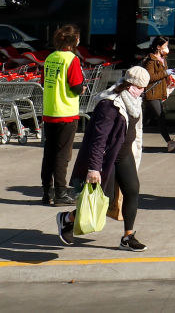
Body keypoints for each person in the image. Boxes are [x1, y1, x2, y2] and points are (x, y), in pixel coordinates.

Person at [56, 66, 150, 251]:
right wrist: (94, 168)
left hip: (123, 155)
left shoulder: (133, 100)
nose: (143, 92)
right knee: (100, 201)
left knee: (132, 191)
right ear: (131, 85)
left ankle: (127, 237)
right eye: (141, 88)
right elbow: (98, 140)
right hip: (107, 158)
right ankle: (66, 219)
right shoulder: (109, 105)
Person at [40, 24, 86, 206]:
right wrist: (82, 88)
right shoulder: (72, 59)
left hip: (50, 111)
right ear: (74, 40)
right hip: (66, 112)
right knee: (62, 155)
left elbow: (44, 81)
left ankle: (47, 191)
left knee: (49, 152)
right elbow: (75, 86)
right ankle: (61, 192)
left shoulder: (50, 58)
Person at [141, 36, 175, 153]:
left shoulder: (163, 58)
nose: (167, 48)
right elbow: (150, 77)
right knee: (160, 118)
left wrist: (169, 76)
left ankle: (131, 141)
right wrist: (165, 73)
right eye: (165, 46)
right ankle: (170, 142)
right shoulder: (150, 60)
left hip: (159, 92)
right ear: (158, 47)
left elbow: (162, 75)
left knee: (144, 120)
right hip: (152, 93)